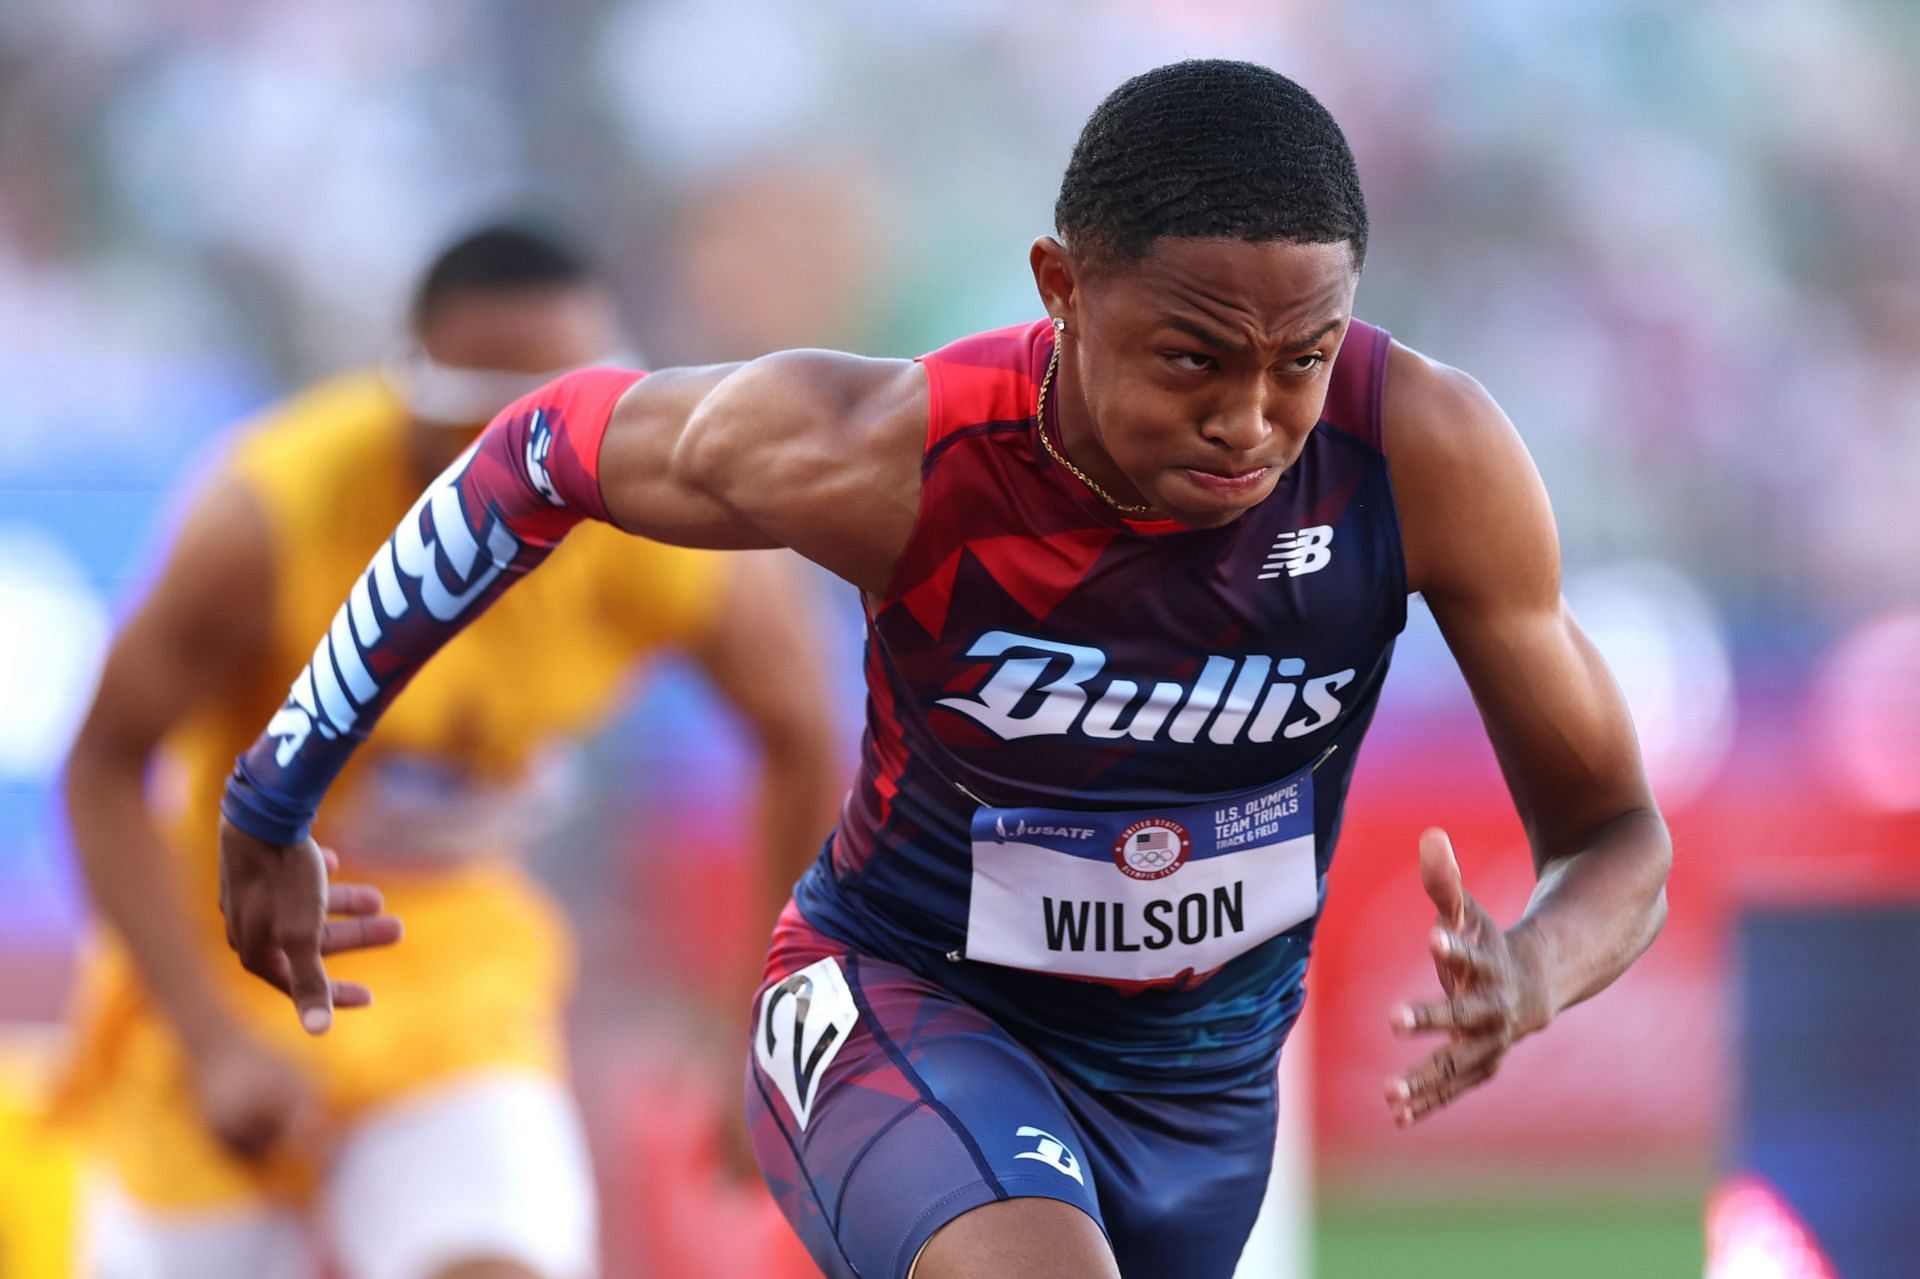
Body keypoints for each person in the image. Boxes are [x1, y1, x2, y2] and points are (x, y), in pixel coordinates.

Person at [214, 62, 1672, 1279]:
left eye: (1302, 355)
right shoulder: (892, 456)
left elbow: (1615, 833)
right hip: (904, 999)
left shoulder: (1425, 455)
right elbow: (532, 453)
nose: (1251, 419)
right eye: (1192, 359)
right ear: (1063, 289)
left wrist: (1535, 964)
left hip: (1203, 1096)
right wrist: (276, 797)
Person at [59, 222, 841, 1279]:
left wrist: (762, 1033)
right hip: (231, 952)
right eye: (489, 432)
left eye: (569, 429)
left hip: (456, 970)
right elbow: (103, 765)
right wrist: (210, 1038)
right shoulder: (269, 516)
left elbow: (802, 733)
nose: (537, 477)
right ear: (412, 395)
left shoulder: (665, 521)